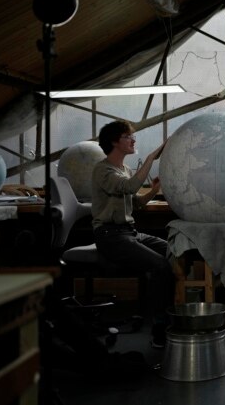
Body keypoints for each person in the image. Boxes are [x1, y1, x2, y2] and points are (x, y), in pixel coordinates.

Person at [92, 121, 174, 348]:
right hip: (110, 236)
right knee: (159, 266)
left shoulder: (125, 170)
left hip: (129, 233)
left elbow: (134, 203)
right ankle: (159, 327)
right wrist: (150, 159)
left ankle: (168, 314)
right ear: (114, 142)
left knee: (172, 252)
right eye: (128, 136)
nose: (133, 140)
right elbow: (128, 187)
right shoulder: (103, 170)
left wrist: (153, 192)